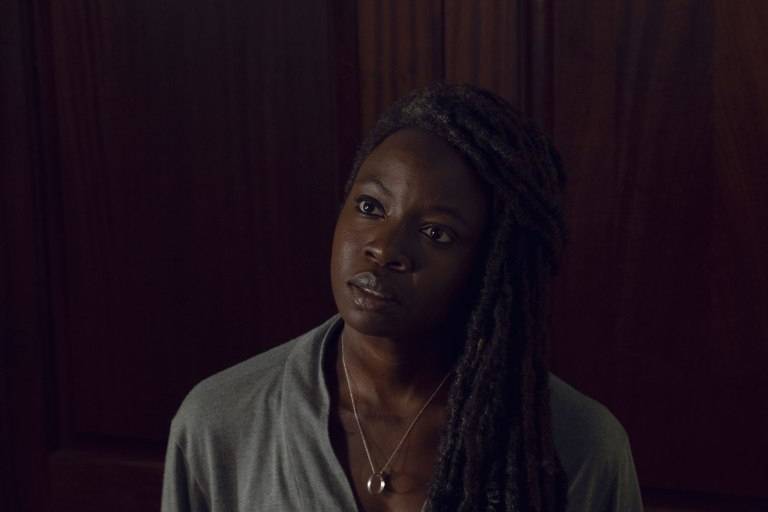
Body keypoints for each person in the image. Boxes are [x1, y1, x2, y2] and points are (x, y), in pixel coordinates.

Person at [162, 84, 644, 512]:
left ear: (493, 265)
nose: (385, 249)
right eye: (370, 206)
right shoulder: (221, 422)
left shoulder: (577, 446)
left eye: (436, 233)